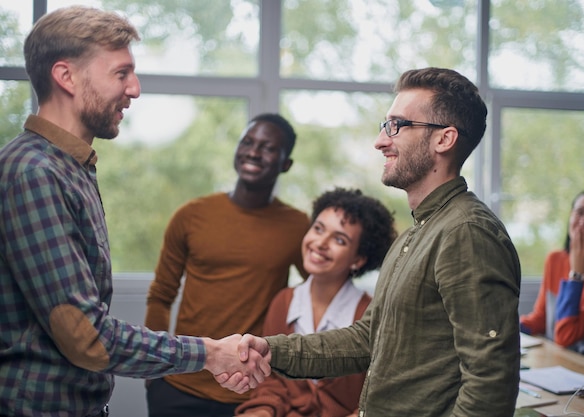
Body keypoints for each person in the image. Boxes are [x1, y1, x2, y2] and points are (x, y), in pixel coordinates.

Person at [0, 7, 269, 417]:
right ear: (66, 76)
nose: (135, 89)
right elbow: (87, 336)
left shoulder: (71, 167)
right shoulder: (34, 172)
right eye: (121, 73)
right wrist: (210, 353)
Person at [218, 67, 523, 417]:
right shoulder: (416, 234)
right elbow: (367, 338)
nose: (380, 141)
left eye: (397, 126)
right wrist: (270, 351)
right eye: (384, 125)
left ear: (444, 139)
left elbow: (490, 383)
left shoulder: (466, 232)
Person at [144, 113, 310, 417]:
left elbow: (317, 296)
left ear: (285, 164)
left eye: (268, 147)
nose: (254, 151)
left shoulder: (298, 226)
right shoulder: (191, 215)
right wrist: (153, 373)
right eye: (247, 141)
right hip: (178, 386)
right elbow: (161, 295)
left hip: (249, 392)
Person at [235, 187, 397, 417]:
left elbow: (375, 400)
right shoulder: (283, 302)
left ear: (358, 259)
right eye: (318, 229)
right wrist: (260, 413)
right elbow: (270, 385)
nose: (320, 243)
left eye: (339, 240)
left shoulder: (371, 315)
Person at [521, 188, 584, 371]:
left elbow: (565, 336)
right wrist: (505, 328)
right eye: (579, 212)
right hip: (562, 365)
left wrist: (577, 274)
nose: (583, 223)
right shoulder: (555, 260)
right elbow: (541, 318)